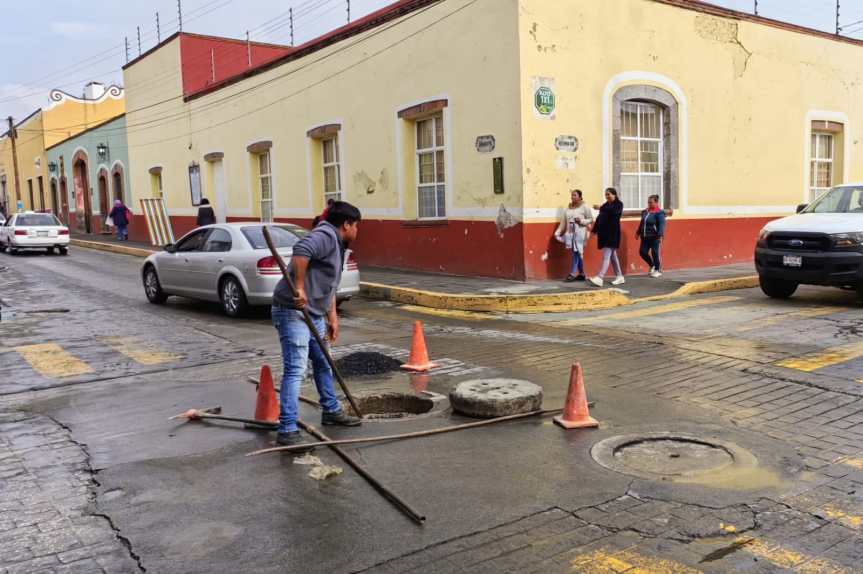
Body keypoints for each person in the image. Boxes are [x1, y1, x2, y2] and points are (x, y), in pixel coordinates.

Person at [271, 200, 363, 449]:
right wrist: (299, 287)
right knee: (296, 370)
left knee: (323, 363)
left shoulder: (337, 243)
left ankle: (331, 410)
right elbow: (302, 250)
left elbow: (328, 284)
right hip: (293, 313)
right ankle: (287, 428)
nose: (357, 231)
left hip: (315, 314)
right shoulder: (324, 234)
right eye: (356, 226)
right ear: (347, 224)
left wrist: (332, 316)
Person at [554, 189, 593, 282]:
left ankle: (572, 273)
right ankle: (582, 274)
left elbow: (591, 219)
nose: (572, 197)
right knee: (577, 253)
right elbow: (563, 222)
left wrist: (581, 221)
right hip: (570, 234)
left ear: (580, 197)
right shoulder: (568, 208)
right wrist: (557, 233)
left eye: (575, 195)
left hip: (580, 233)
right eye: (572, 195)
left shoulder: (585, 207)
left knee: (576, 252)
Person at [589, 188, 625, 287]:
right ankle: (620, 276)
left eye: (608, 194)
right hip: (605, 234)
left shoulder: (619, 204)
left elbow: (614, 212)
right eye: (606, 195)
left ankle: (600, 277)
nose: (607, 196)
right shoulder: (605, 206)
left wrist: (600, 207)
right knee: (613, 256)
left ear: (614, 195)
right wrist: (594, 231)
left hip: (612, 234)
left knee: (607, 256)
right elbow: (599, 218)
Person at [636, 194, 667, 278]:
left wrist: (660, 235)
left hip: (655, 237)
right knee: (642, 252)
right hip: (645, 237)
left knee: (655, 253)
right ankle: (652, 265)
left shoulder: (659, 213)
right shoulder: (645, 211)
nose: (649, 204)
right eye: (648, 202)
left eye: (651, 202)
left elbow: (661, 225)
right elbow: (642, 223)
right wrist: (638, 233)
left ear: (656, 203)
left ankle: (658, 269)